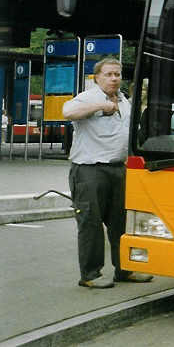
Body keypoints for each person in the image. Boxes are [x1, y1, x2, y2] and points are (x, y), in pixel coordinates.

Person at [62, 57, 153, 289]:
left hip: (118, 168)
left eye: (118, 74)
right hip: (90, 170)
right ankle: (90, 275)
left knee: (121, 223)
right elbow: (67, 111)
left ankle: (126, 270)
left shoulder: (124, 101)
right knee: (90, 223)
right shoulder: (89, 97)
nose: (114, 78)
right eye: (109, 74)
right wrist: (100, 107)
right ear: (97, 77)